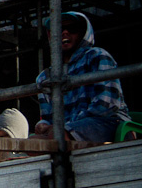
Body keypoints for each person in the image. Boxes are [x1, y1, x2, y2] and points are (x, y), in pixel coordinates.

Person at [34, 12, 130, 143]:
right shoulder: (45, 76)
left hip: (107, 123)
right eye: (59, 29)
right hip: (67, 129)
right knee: (34, 141)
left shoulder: (97, 56)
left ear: (83, 33)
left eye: (72, 28)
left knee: (58, 135)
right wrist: (43, 125)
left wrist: (66, 126)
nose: (65, 32)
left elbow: (106, 105)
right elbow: (48, 117)